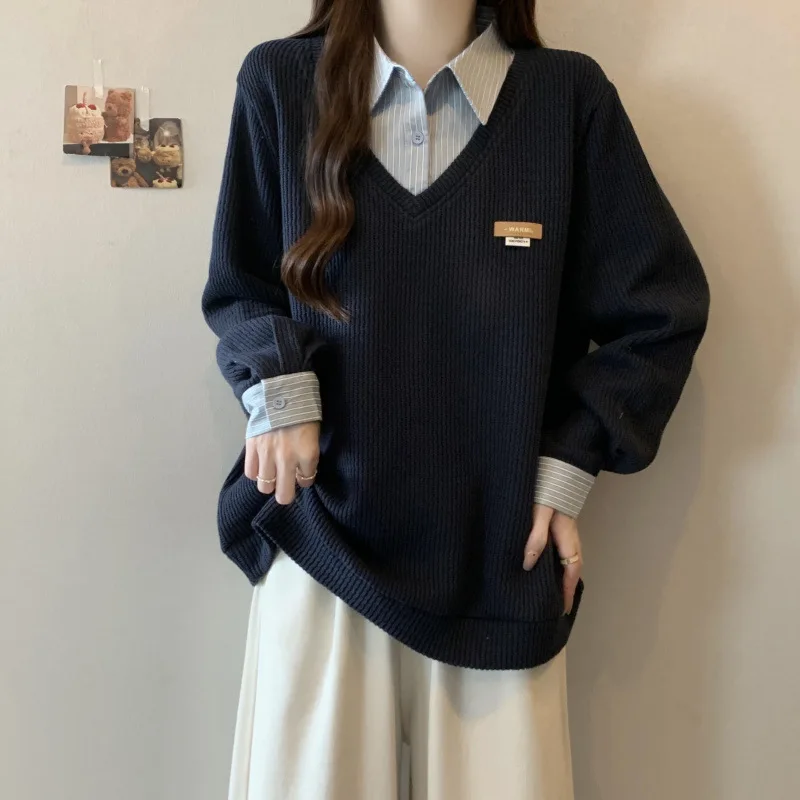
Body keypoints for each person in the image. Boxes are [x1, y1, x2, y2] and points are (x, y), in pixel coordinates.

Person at [202, 0, 710, 797]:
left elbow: (661, 310)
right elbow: (241, 286)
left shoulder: (566, 100)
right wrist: (280, 389)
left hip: (502, 557)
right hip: (320, 540)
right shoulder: (281, 82)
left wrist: (569, 461)